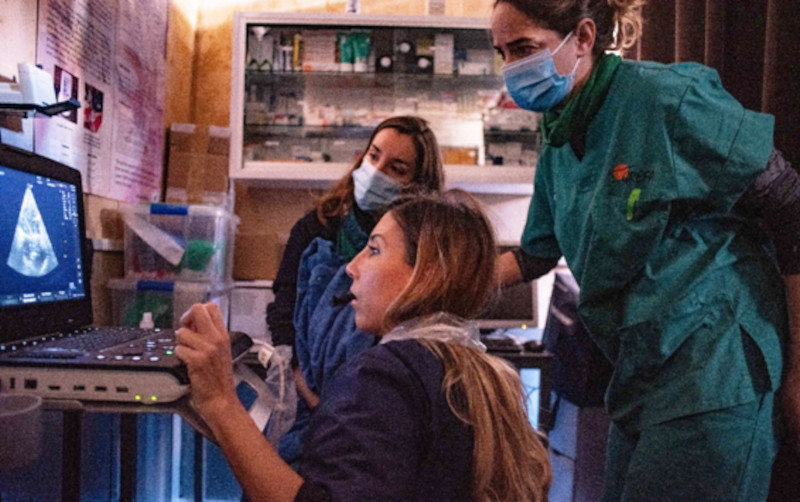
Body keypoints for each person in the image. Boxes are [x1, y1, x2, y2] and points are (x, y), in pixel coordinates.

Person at [490, 0, 800, 500]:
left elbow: (790, 205)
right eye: (502, 53)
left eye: (524, 49)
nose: (512, 69)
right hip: (642, 375)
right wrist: (441, 283)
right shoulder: (560, 131)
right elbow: (535, 255)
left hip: (715, 366)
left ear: (584, 37)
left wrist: (799, 373)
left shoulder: (665, 99)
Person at [175, 191, 552, 502]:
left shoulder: (385, 376)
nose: (352, 267)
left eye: (374, 250)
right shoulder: (480, 371)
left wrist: (221, 402)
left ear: (426, 274)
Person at [265, 115, 445, 463]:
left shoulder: (423, 252)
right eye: (373, 156)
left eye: (397, 168)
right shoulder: (318, 228)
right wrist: (304, 385)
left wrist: (350, 403)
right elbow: (283, 307)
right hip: (305, 401)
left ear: (418, 184)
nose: (377, 172)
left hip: (374, 413)